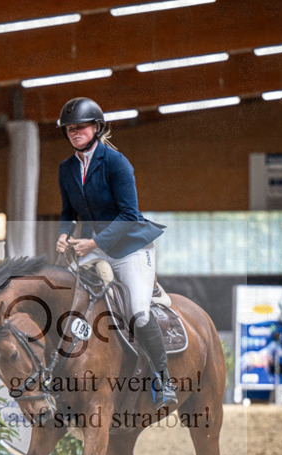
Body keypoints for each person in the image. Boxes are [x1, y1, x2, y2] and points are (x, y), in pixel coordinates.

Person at [54, 96, 177, 407]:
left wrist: (93, 243)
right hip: (94, 247)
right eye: (69, 128)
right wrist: (63, 235)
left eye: (80, 127)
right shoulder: (67, 168)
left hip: (130, 247)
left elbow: (128, 214)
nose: (74, 131)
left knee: (138, 311)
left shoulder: (116, 162)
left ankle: (163, 381)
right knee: (63, 295)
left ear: (97, 127)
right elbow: (68, 212)